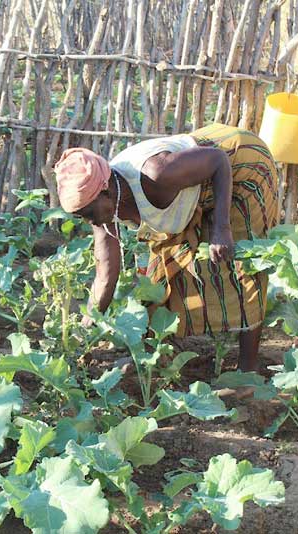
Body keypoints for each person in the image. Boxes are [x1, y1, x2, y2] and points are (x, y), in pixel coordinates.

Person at [54, 123, 278, 371]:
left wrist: (221, 228)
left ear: (105, 192)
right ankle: (156, 354)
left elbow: (217, 160)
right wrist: (85, 329)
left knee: (243, 263)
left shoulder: (156, 174)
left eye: (87, 213)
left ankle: (247, 373)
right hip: (194, 184)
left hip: (240, 166)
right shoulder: (103, 208)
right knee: (159, 275)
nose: (88, 221)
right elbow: (106, 273)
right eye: (80, 216)